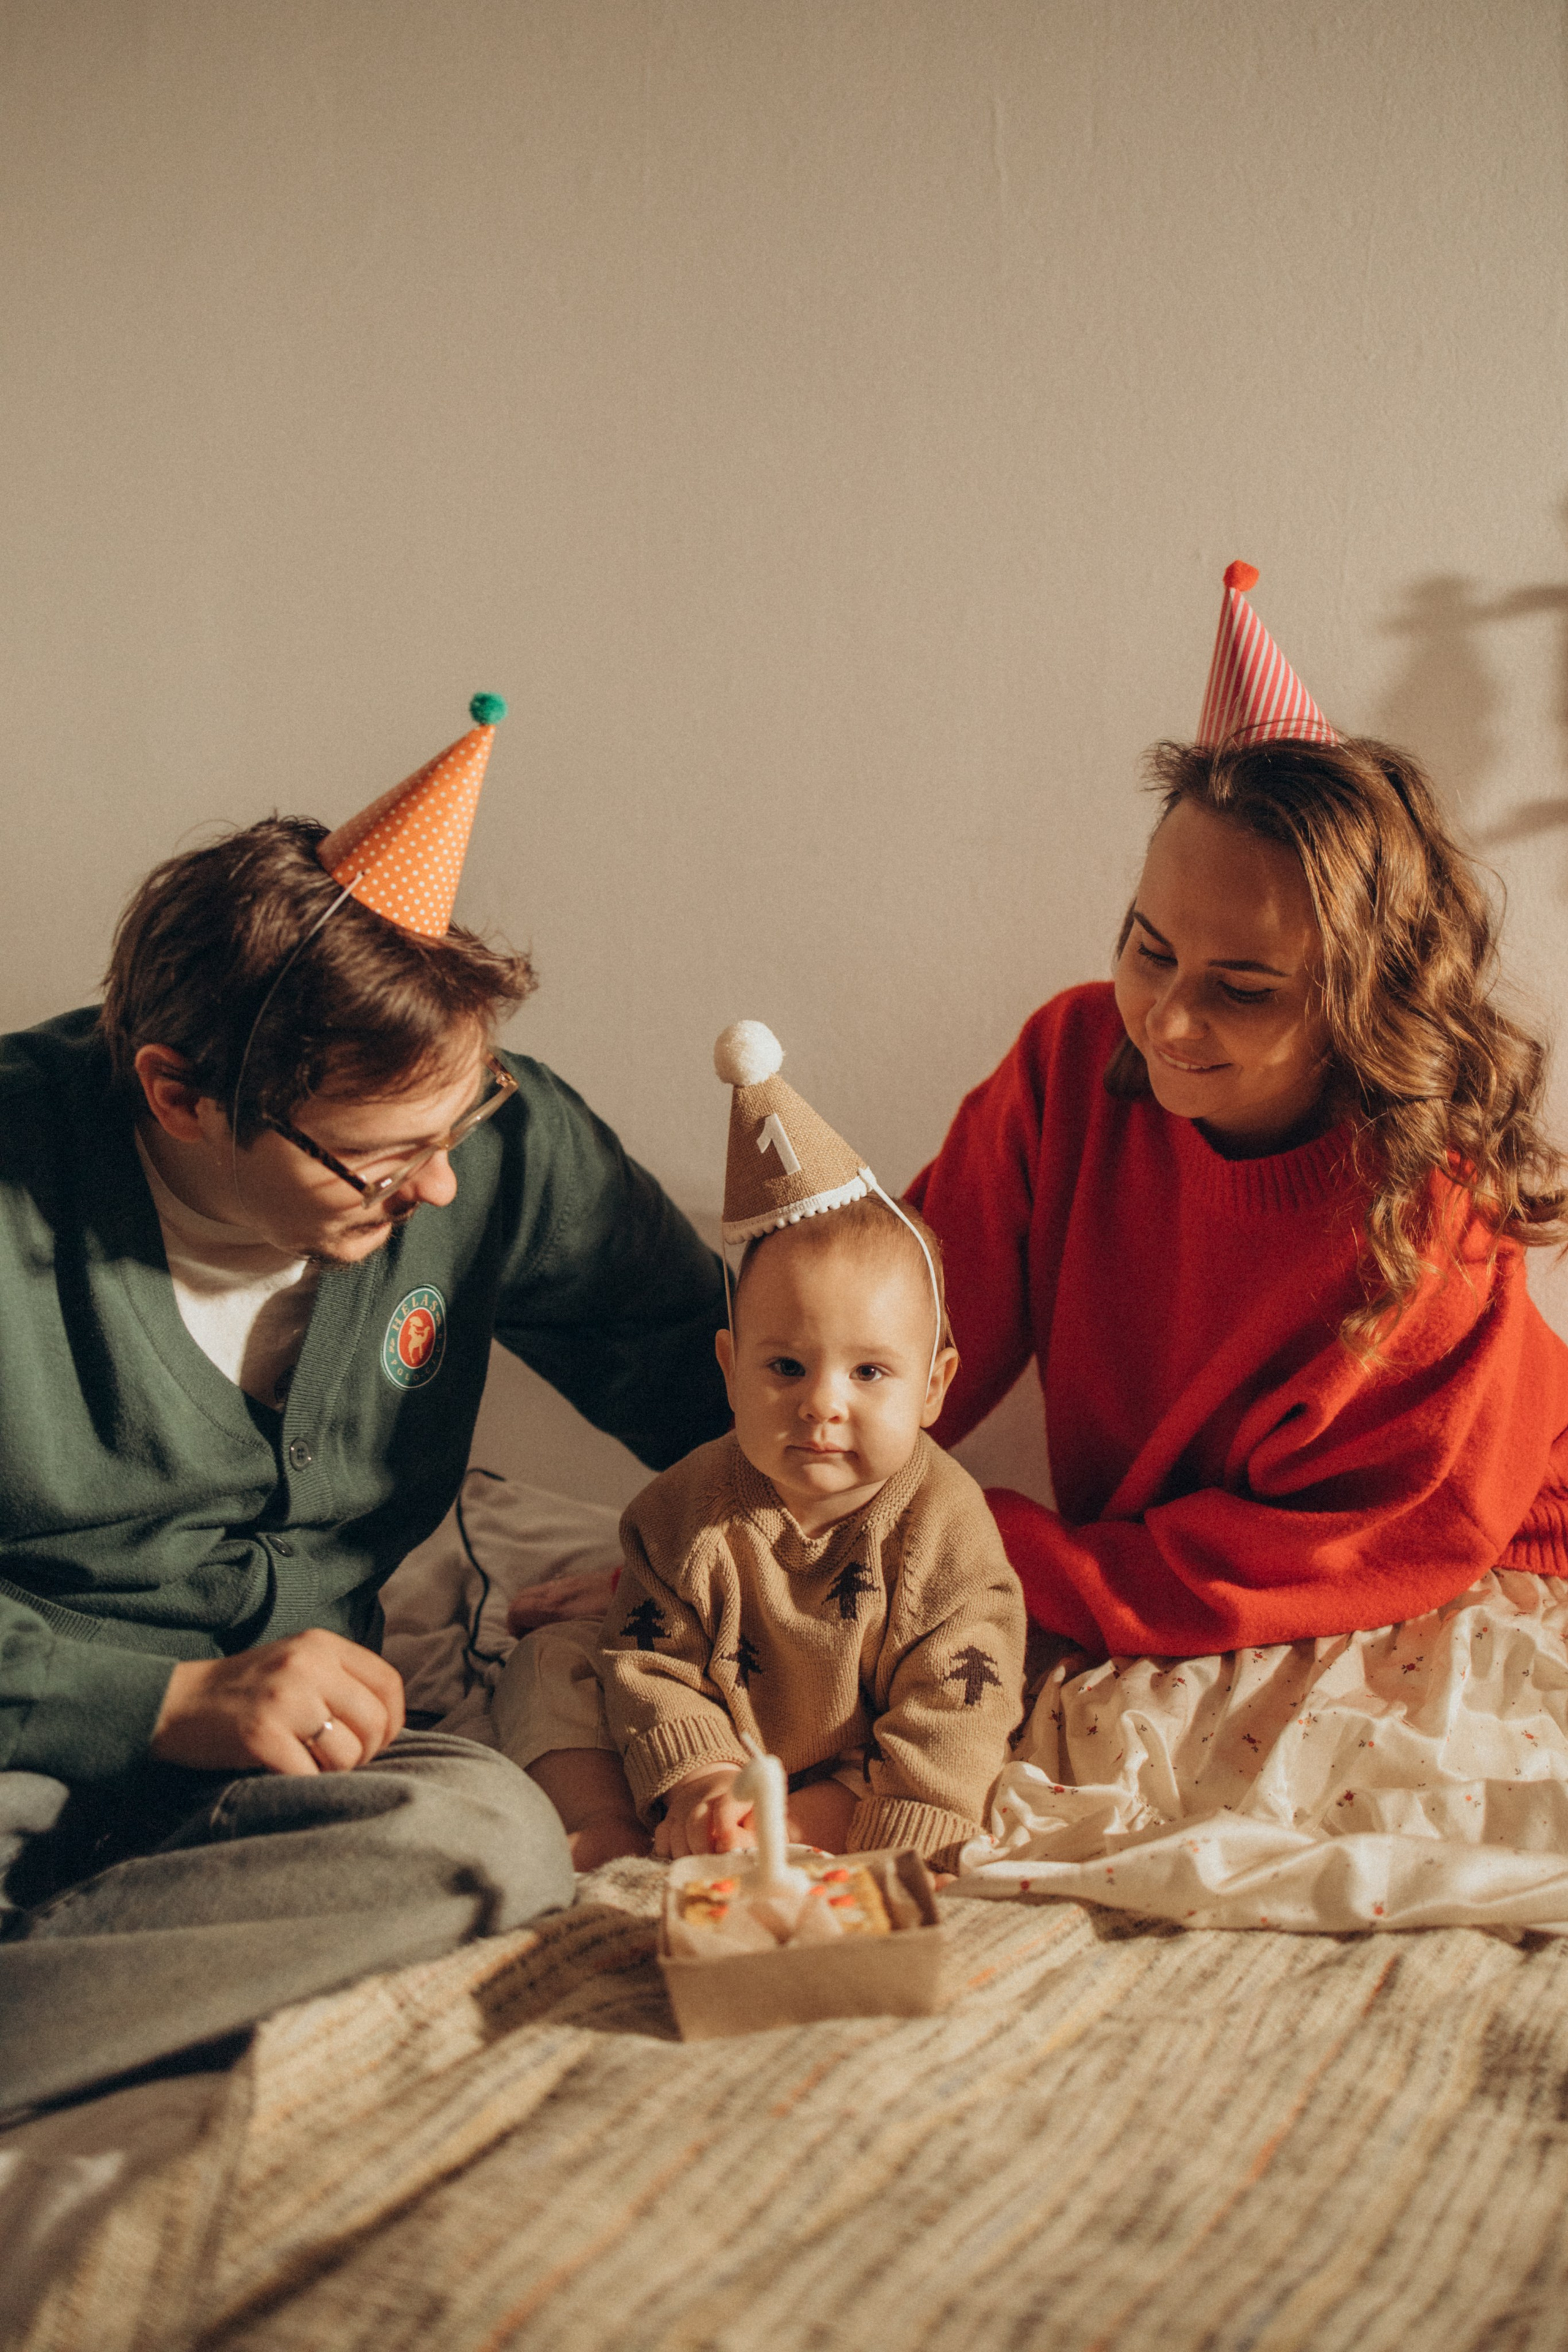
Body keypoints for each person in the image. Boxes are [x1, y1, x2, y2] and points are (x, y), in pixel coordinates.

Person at [0, 696, 729, 2116]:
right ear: (180, 1095)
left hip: (277, 1808)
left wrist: (722, 1575)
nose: (439, 1189)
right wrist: (159, 1698)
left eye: (459, 1128)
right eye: (384, 1160)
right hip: (27, 1737)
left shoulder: (495, 1149)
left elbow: (721, 1382)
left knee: (486, 1838)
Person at [910, 567, 1568, 1659]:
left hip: (1469, 1566)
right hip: (1187, 1572)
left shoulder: (1429, 1209)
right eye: (1148, 950)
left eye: (1244, 989)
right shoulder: (1070, 1061)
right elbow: (897, 1334)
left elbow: (1337, 1553)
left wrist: (965, 1548)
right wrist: (745, 1526)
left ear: (1364, 1004)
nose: (1166, 1022)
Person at [494, 1023, 1026, 1874]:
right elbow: (651, 1660)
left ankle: (790, 1831)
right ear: (730, 1370)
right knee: (552, 1663)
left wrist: (903, 1833)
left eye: (869, 1373)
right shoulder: (680, 1513)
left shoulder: (947, 1533)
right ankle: (613, 1835)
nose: (821, 1404)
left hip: (857, 1757)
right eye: (785, 1366)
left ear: (933, 1388)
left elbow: (959, 1703)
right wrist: (701, 1778)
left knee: (928, 1749)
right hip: (718, 1727)